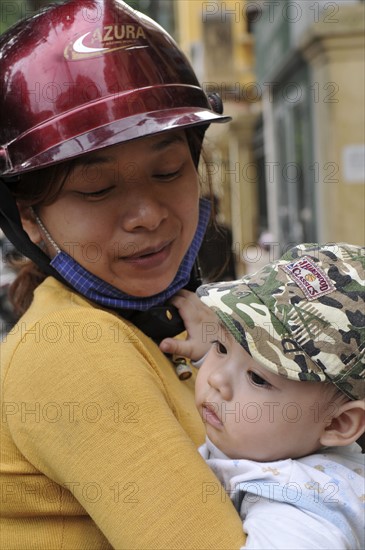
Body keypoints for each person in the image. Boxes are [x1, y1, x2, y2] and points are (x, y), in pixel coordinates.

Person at [0, 1, 247, 548]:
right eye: (97, 189)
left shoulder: (164, 322)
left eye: (168, 171)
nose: (149, 215)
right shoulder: (76, 350)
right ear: (29, 220)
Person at [160, 243, 365, 549]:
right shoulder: (296, 447)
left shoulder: (298, 515)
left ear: (338, 424)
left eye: (257, 378)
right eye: (222, 346)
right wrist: (209, 350)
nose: (216, 379)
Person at [198, 194, 237, 282]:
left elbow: (230, 257)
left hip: (217, 279)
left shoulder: (225, 231)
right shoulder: (200, 234)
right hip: (211, 279)